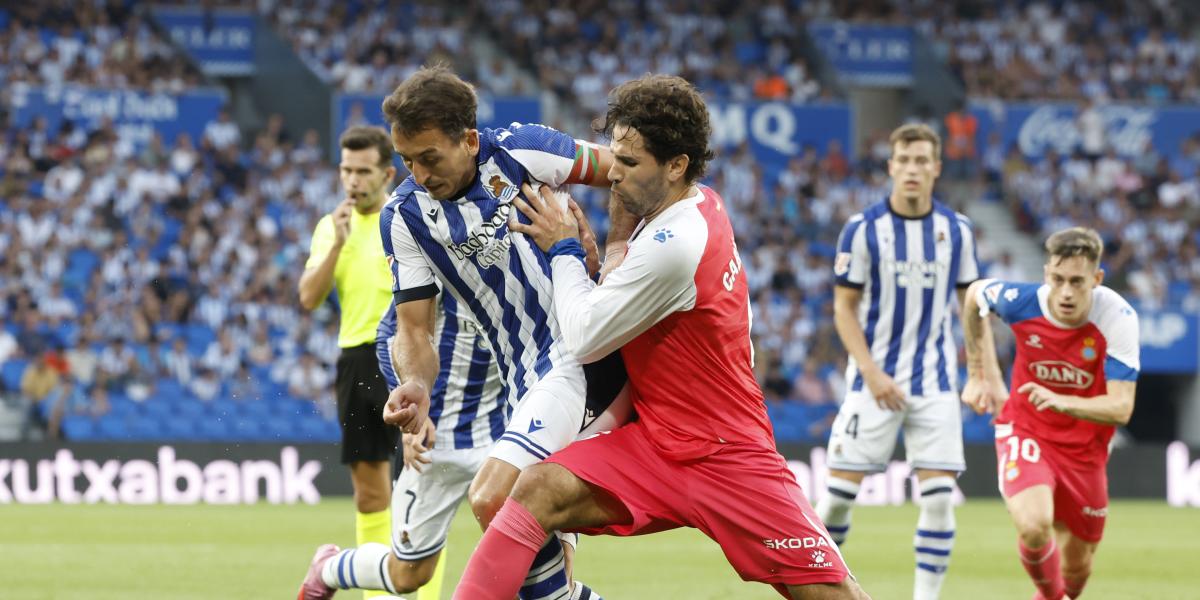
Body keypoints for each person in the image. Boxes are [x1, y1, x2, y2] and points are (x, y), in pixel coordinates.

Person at [447, 74, 869, 600]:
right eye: (615, 156)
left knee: (831, 594)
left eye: (629, 162)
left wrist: (564, 249)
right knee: (537, 488)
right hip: (655, 443)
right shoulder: (692, 204)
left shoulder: (677, 242)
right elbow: (630, 260)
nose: (612, 173)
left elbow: (584, 337)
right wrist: (613, 255)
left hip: (724, 450)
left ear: (675, 165)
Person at [298, 65, 630, 600]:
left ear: (470, 140)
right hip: (489, 403)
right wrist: (416, 385)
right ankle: (331, 569)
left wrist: (615, 249)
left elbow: (628, 172)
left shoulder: (522, 151)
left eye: (429, 157)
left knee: (501, 502)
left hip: (567, 360)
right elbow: (411, 329)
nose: (418, 173)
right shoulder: (405, 218)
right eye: (407, 160)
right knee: (414, 574)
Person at [815, 123, 980, 600]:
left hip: (936, 382)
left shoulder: (957, 230)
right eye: (904, 160)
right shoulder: (863, 229)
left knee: (940, 501)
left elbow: (971, 306)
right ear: (891, 166)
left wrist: (982, 372)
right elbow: (843, 309)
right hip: (872, 381)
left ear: (936, 168)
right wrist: (871, 372)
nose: (912, 169)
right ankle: (820, 591)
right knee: (836, 501)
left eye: (921, 160)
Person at [961, 227, 1139, 600]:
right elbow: (975, 294)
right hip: (1026, 429)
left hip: (1086, 449)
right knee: (1034, 526)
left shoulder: (1116, 316)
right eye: (1058, 280)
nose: (1066, 292)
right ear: (1046, 275)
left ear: (1096, 278)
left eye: (1077, 281)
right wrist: (981, 374)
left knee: (1077, 567)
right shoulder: (1021, 301)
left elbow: (1121, 407)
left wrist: (1060, 401)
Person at [297, 125, 398, 600]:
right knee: (371, 493)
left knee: (424, 491)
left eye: (363, 171)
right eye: (346, 170)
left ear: (387, 174)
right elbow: (308, 298)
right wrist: (337, 243)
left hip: (412, 357)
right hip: (358, 361)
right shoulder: (329, 226)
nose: (353, 181)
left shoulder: (406, 219)